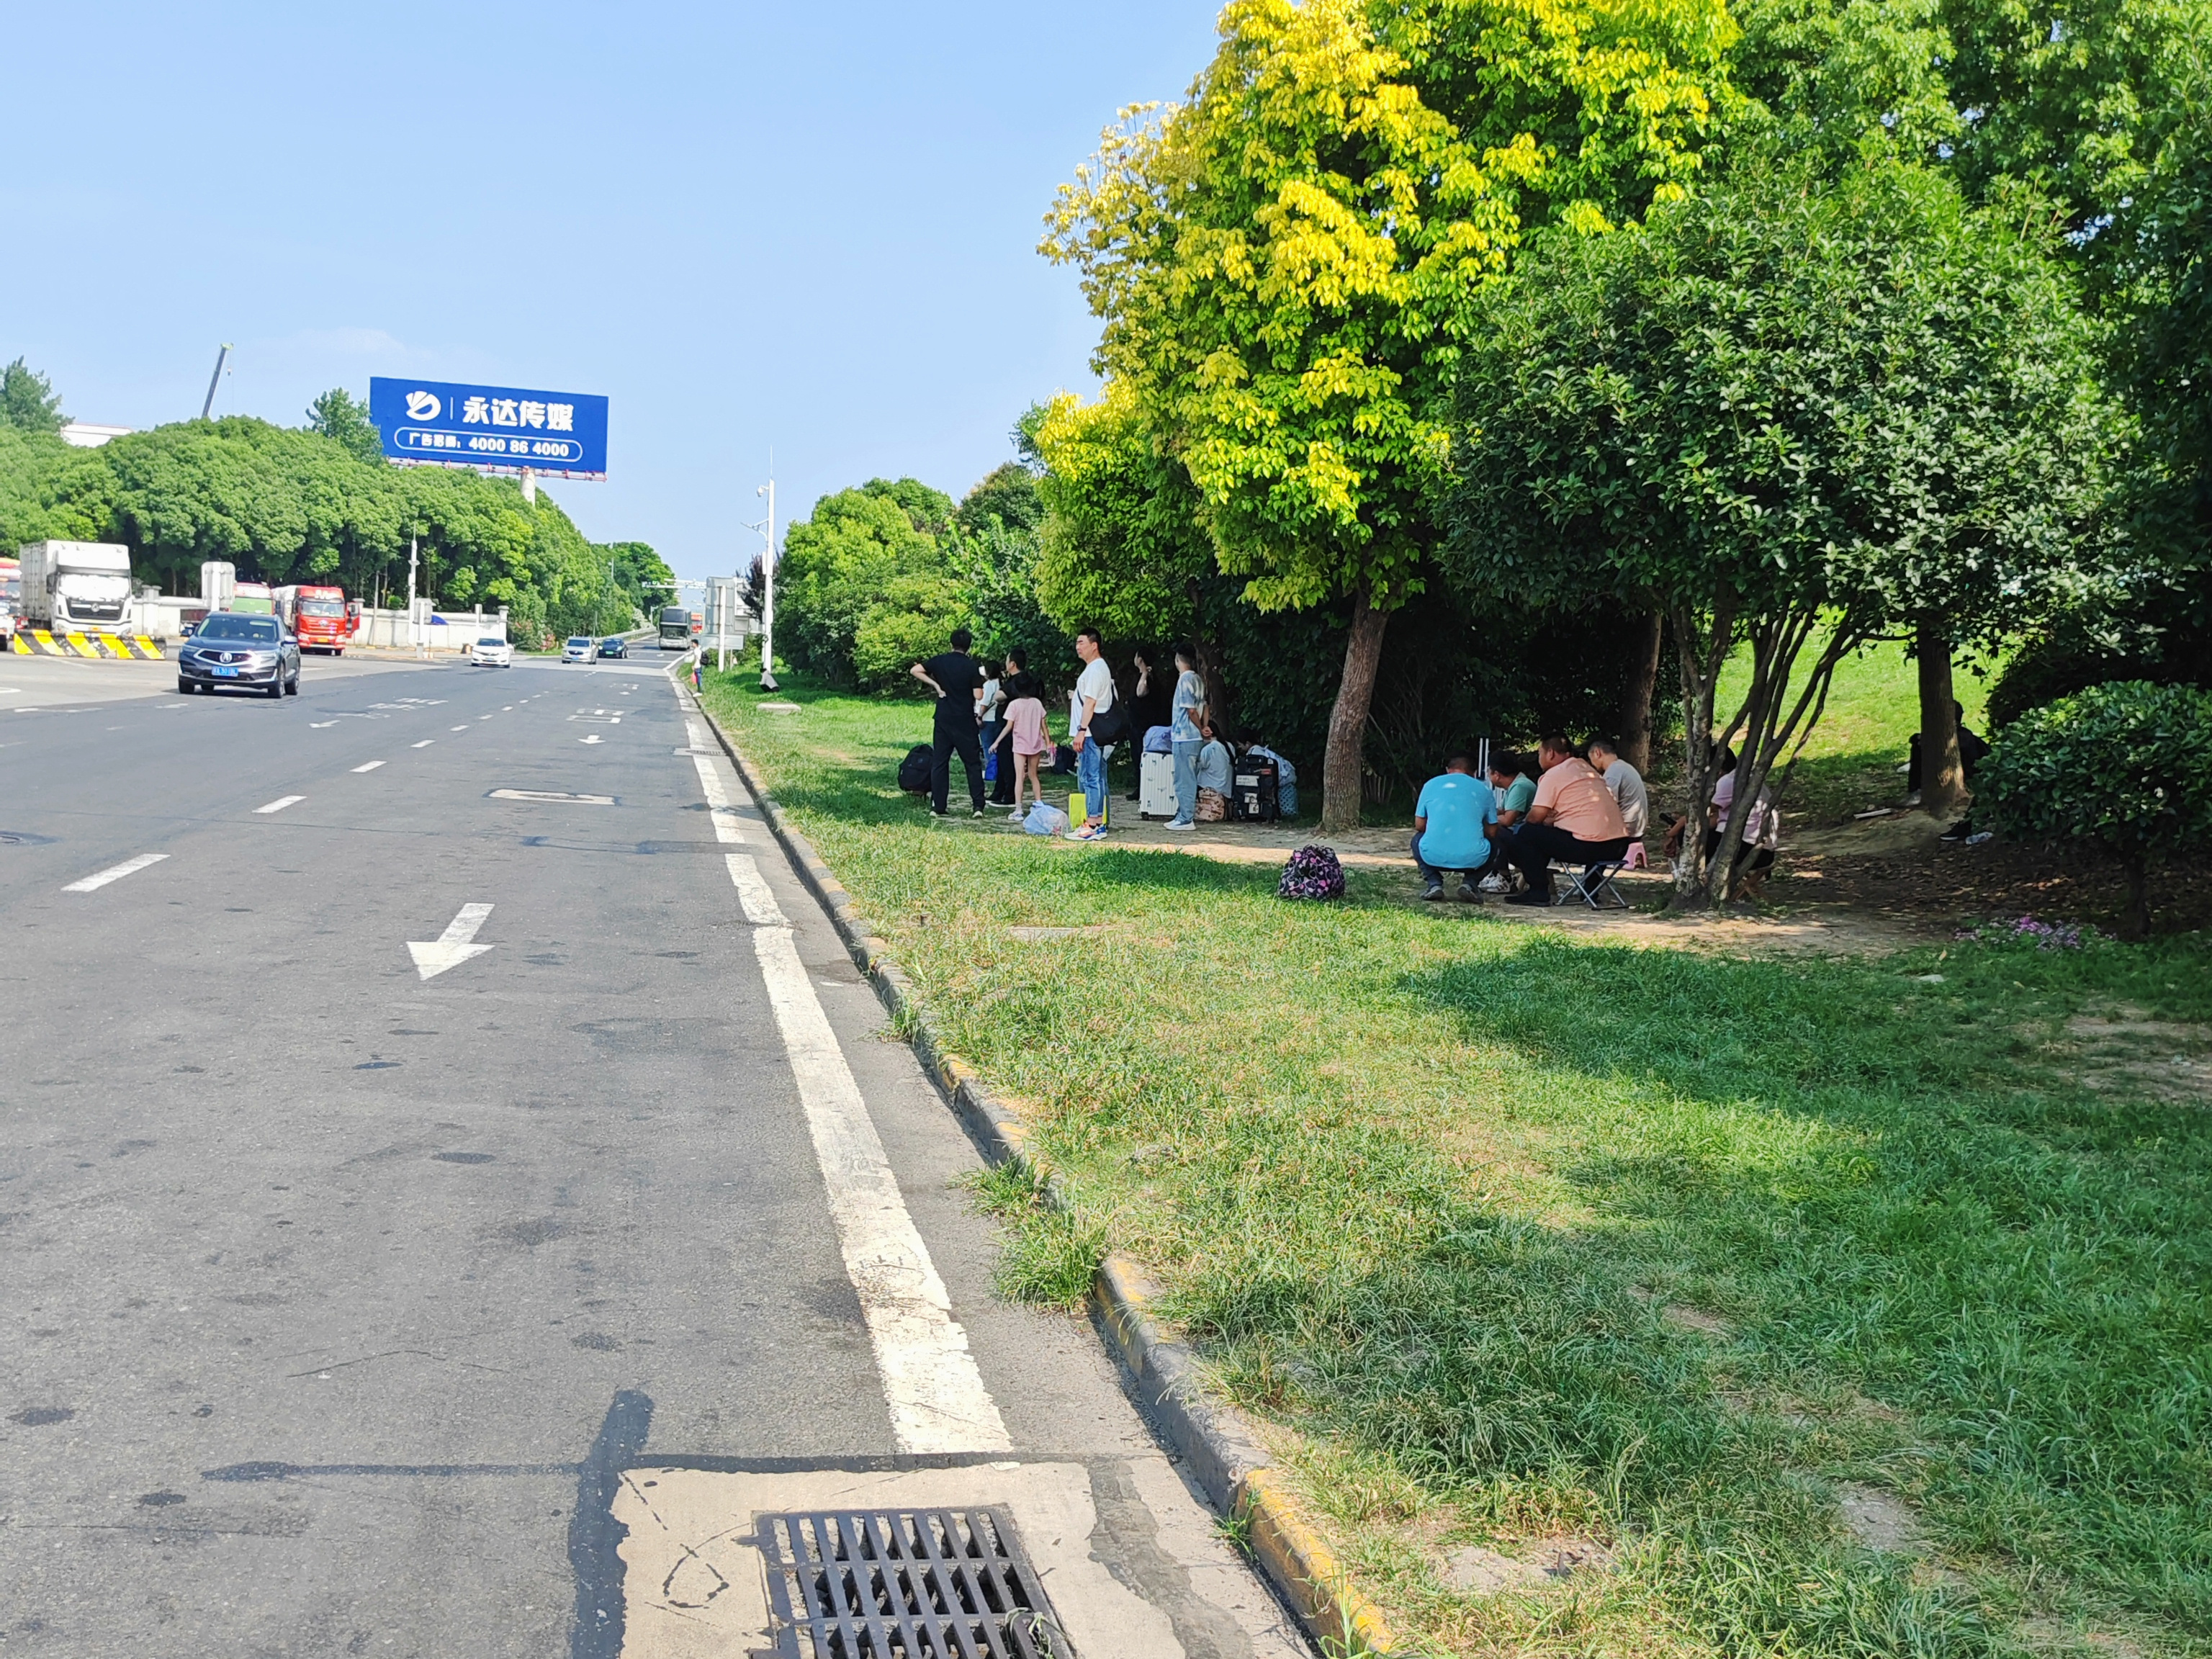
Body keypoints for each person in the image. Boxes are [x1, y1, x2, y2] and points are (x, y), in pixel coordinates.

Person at [1505, 734, 1632, 904]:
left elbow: (1534, 818)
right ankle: (1590, 891)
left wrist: (1546, 821)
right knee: (1594, 833)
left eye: (1540, 753)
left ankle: (1538, 890)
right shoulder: (1589, 771)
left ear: (1550, 753)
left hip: (1590, 847)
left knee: (1527, 833)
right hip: (1619, 845)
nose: (1539, 759)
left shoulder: (1555, 774)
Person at [909, 626, 987, 817]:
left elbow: (915, 670)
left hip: (943, 718)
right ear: (968, 647)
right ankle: (978, 806)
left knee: (940, 762)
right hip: (965, 720)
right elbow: (978, 695)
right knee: (972, 764)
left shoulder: (940, 661)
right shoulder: (971, 666)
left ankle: (939, 806)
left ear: (951, 644)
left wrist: (937, 685)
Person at [1412, 752, 1498, 902]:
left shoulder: (1430, 785)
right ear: (1474, 773)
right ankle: (1470, 883)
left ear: (1447, 770)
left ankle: (1434, 884)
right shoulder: (1484, 790)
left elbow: (1419, 825)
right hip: (1473, 858)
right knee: (1496, 844)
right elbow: (1492, 831)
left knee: (1416, 840)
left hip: (1432, 856)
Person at [1067, 626, 1117, 840]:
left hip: (1089, 733)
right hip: (1089, 732)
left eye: (1082, 643)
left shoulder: (1096, 669)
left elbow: (1091, 703)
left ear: (1094, 645)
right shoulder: (1095, 669)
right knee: (1095, 776)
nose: (1078, 647)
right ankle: (1097, 823)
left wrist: (1081, 730)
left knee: (1091, 777)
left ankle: (1093, 824)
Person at [1706, 767, 1781, 894]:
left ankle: (1707, 885)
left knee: (1691, 839)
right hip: (1765, 852)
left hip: (1748, 850)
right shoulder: (1753, 781)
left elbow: (1705, 812)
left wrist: (1673, 832)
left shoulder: (1729, 781)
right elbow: (1714, 819)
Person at [990, 671, 1051, 816]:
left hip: (1019, 745)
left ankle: (1018, 810)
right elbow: (1044, 725)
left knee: (1020, 777)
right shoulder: (1037, 703)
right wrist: (1048, 743)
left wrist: (996, 742)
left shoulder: (1014, 705)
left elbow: (1008, 727)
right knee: (1033, 775)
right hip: (1035, 743)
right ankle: (1039, 804)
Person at [1164, 643, 1205, 830]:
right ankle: (1183, 814)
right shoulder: (1198, 679)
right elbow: (1204, 706)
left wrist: (1199, 726)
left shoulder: (1184, 680)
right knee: (1188, 777)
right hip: (1194, 737)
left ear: (1178, 659)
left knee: (1184, 779)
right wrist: (1204, 727)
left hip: (1184, 736)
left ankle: (1186, 818)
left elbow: (1191, 710)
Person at [1124, 646, 1172, 800]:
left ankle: (1143, 789)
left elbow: (1140, 693)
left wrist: (1144, 674)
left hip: (1145, 726)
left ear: (1140, 659)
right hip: (1137, 725)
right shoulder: (1140, 676)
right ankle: (1140, 787)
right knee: (1137, 757)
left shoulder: (1149, 677)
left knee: (1142, 757)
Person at [1586, 737, 1648, 840]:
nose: (1592, 764)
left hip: (1626, 831)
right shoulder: (1623, 766)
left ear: (1597, 753)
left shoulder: (1613, 773)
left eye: (1591, 759)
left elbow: (1607, 806)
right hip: (1637, 828)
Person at [1237, 735, 1299, 818]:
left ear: (1247, 744)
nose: (1239, 747)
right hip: (1285, 776)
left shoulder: (1254, 753)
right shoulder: (1262, 750)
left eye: (1240, 745)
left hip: (1279, 778)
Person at [1192, 714, 1235, 822]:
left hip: (1211, 788)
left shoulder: (1209, 749)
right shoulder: (1229, 747)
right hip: (1226, 790)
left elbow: (1198, 766)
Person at [1490, 753, 1537, 828]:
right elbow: (1501, 811)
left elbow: (1507, 820)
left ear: (1496, 775)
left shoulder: (1520, 786)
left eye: (1488, 771)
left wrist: (1484, 818)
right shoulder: (1514, 785)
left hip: (1518, 834)